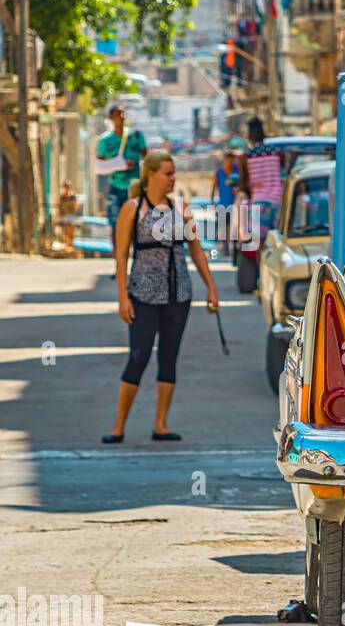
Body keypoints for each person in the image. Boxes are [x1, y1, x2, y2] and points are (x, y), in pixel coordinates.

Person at [103, 150, 219, 444]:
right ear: (151, 174)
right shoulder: (133, 208)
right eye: (168, 173)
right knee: (139, 356)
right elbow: (120, 256)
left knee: (169, 358)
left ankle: (161, 425)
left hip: (178, 294)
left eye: (174, 173)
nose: (173, 178)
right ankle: (118, 426)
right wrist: (122, 298)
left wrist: (211, 287)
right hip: (142, 294)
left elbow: (196, 250)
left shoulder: (181, 208)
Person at [96, 104, 147, 230]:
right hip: (116, 188)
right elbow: (99, 166)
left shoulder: (136, 136)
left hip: (135, 188)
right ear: (110, 118)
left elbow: (146, 157)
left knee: (137, 225)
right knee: (116, 226)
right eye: (118, 114)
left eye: (123, 113)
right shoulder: (105, 140)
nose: (122, 116)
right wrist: (120, 165)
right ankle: (117, 250)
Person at [244, 117, 282, 241]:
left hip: (259, 202)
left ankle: (261, 261)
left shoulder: (247, 156)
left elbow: (243, 183)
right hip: (277, 201)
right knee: (277, 242)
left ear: (250, 134)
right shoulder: (276, 152)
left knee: (260, 243)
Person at [210, 152, 241, 256]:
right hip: (222, 205)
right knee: (223, 229)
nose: (230, 163)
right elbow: (214, 188)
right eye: (228, 160)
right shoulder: (219, 173)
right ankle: (226, 250)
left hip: (235, 206)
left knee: (234, 229)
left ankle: (234, 251)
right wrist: (213, 202)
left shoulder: (236, 172)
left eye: (232, 161)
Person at [58, 181, 80, 254]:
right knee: (66, 230)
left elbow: (77, 205)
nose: (67, 188)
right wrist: (59, 215)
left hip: (71, 215)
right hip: (65, 215)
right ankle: (67, 245)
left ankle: (71, 245)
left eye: (68, 186)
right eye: (65, 186)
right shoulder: (62, 196)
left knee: (71, 231)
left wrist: (74, 209)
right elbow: (59, 206)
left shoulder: (73, 195)